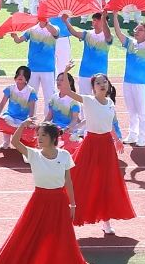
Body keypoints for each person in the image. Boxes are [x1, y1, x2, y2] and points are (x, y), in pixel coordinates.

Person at [0, 120, 92, 264]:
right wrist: (23, 125)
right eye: (38, 135)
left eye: (43, 135)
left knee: (63, 241)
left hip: (59, 202)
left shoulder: (64, 155)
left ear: (53, 137)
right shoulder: (33, 154)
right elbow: (15, 142)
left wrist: (73, 204)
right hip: (38, 201)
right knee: (25, 237)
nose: (39, 138)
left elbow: (68, 181)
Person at [57, 73, 135, 235]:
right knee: (79, 178)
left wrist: (117, 140)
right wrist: (65, 71)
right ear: (93, 88)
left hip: (107, 146)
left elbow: (109, 123)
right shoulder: (88, 100)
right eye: (98, 83)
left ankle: (106, 221)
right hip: (91, 144)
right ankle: (65, 214)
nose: (102, 85)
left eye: (104, 82)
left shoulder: (110, 103)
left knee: (106, 183)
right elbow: (67, 91)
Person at [113, 21, 145, 148]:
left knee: (142, 111)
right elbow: (118, 33)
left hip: (141, 83)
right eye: (136, 29)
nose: (136, 31)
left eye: (140, 30)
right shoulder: (130, 43)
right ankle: (133, 134)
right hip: (128, 81)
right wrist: (115, 15)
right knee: (131, 111)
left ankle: (143, 137)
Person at [0, 66, 38, 149]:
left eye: (23, 75)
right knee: (5, 120)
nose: (20, 76)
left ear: (27, 78)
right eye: (19, 74)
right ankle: (6, 142)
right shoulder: (10, 88)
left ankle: (18, 142)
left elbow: (32, 109)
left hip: (23, 119)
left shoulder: (31, 91)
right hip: (10, 115)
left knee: (26, 133)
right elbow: (2, 103)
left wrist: (30, 120)